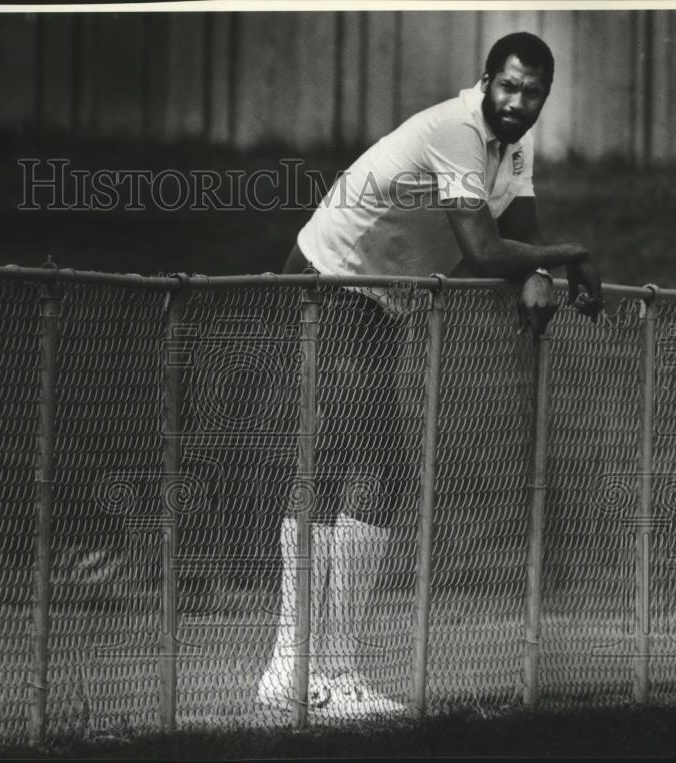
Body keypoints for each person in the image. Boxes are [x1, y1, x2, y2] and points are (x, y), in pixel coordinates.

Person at [258, 31, 604, 719]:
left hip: (377, 291)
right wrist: (576, 254)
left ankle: (317, 672)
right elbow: (481, 249)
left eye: (533, 92)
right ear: (486, 81)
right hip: (333, 275)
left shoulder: (512, 146)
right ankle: (299, 669)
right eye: (508, 85)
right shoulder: (457, 129)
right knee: (372, 465)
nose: (518, 101)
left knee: (351, 465)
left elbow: (519, 225)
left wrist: (537, 268)